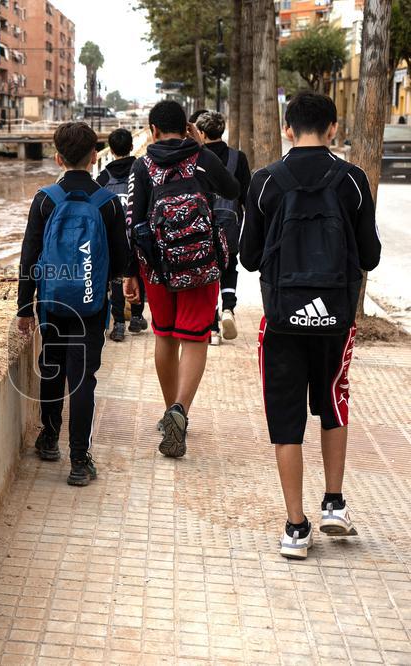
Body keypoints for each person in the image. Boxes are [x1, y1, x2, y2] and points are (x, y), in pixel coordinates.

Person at [240, 91, 381, 560]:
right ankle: (334, 505)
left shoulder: (264, 182)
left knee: (286, 422)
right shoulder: (354, 181)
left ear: (286, 128)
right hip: (335, 319)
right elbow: (372, 256)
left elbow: (249, 257)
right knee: (333, 404)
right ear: (333, 129)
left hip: (283, 320)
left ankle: (296, 528)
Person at [123, 100, 239, 458]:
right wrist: (201, 148)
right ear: (187, 127)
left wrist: (131, 274)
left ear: (153, 130)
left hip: (157, 267)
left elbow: (134, 220)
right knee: (195, 338)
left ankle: (167, 410)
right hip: (201, 265)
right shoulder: (202, 158)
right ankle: (180, 410)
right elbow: (232, 190)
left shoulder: (142, 166)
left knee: (165, 336)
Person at [16, 122, 129, 486]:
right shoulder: (109, 203)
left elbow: (29, 256)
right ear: (96, 156)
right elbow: (123, 262)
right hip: (91, 307)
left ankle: (49, 439)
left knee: (52, 368)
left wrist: (23, 307)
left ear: (58, 158)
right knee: (83, 381)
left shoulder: (45, 199)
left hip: (51, 303)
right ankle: (79, 461)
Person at [195, 111, 252, 346]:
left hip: (202, 221)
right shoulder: (238, 157)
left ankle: (212, 328)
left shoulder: (198, 158)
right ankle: (228, 308)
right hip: (230, 221)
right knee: (229, 265)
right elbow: (246, 194)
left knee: (207, 271)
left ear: (202, 133)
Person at [96, 127, 147, 342]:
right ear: (131, 146)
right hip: (137, 234)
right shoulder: (141, 170)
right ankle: (136, 317)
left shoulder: (104, 176)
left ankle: (118, 324)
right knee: (139, 273)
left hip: (113, 237)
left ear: (111, 149)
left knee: (117, 278)